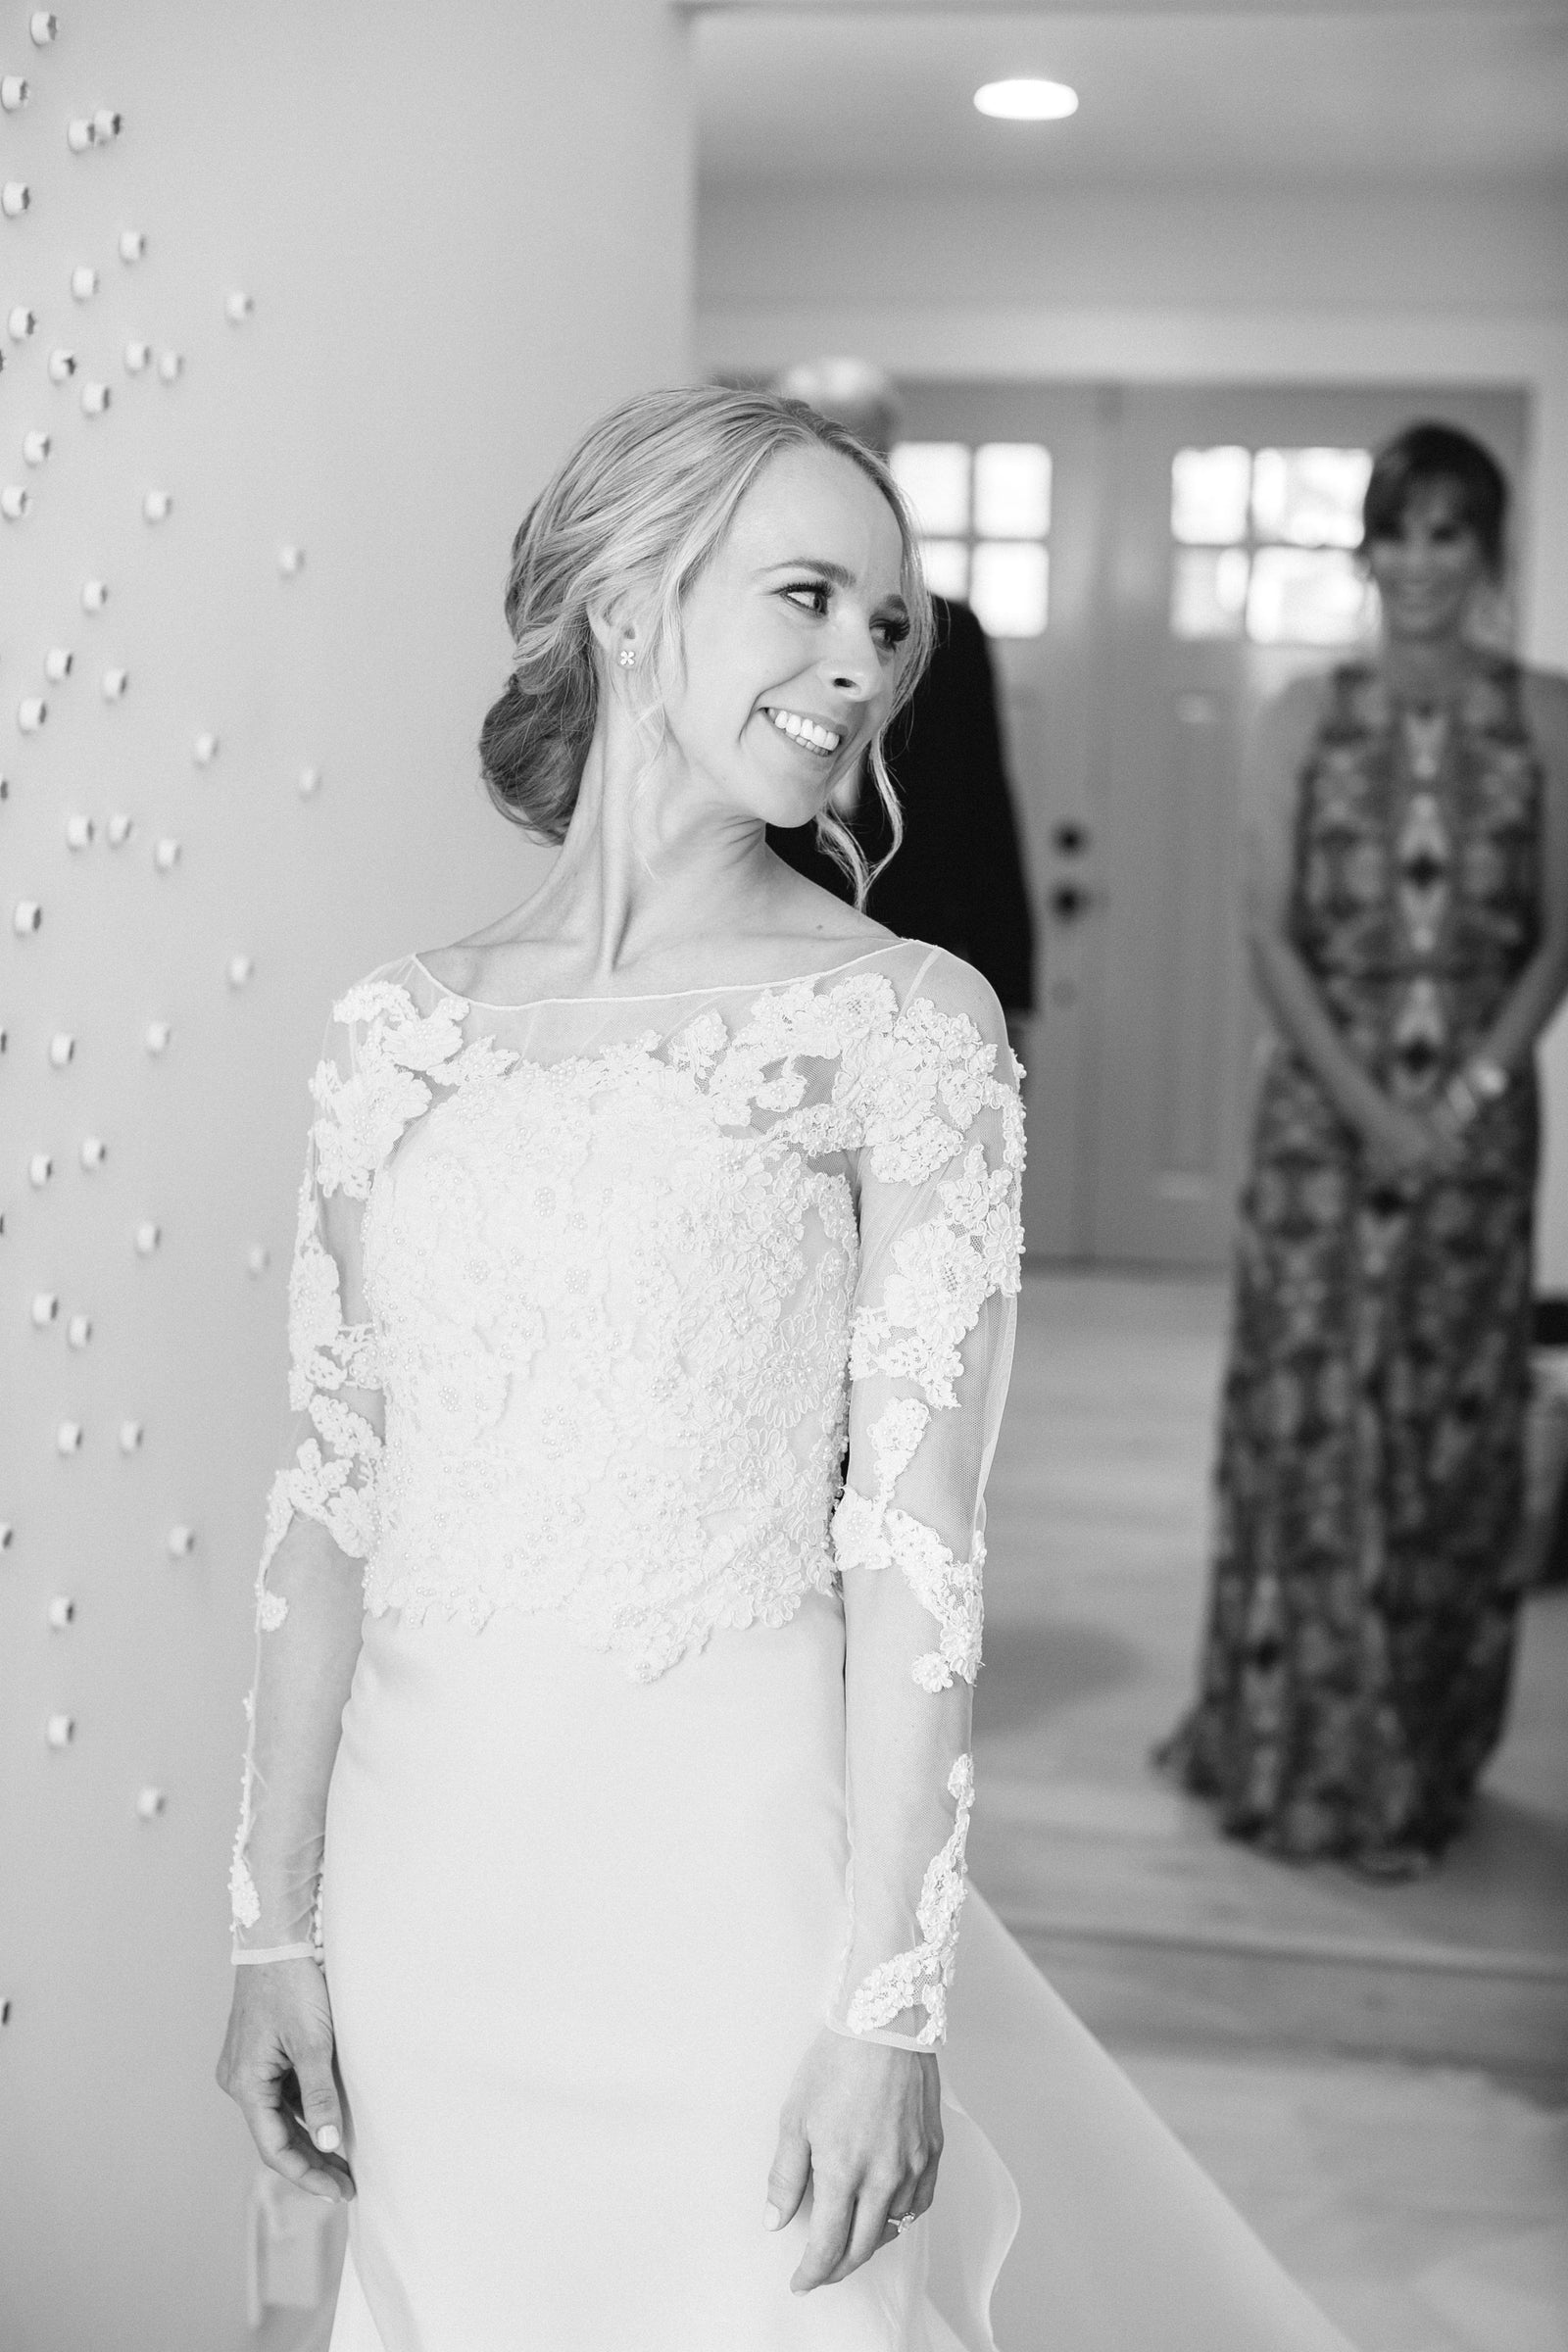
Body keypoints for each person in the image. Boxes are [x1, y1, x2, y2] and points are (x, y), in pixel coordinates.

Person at [217, 385, 1354, 2350]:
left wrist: (881, 2009)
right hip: (428, 1903)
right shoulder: (391, 1036)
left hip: (734, 1902)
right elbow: (326, 1503)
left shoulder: (897, 1023)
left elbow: (915, 1553)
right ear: (632, 605)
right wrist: (272, 1927)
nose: (861, 667)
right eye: (809, 597)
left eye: (887, 624)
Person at [1158, 422, 1568, 1876]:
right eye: (1394, 533)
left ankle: (1421, 1759)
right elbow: (1267, 933)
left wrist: (1455, 1105)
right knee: (1313, 1429)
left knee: (1444, 1445)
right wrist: (1376, 1110)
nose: (1418, 564)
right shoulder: (1300, 713)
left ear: (1488, 552)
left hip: (1479, 1129)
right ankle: (1297, 1759)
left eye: (1448, 534)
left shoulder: (1546, 714)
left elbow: (1556, 938)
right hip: (1319, 1130)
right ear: (1367, 553)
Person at [763, 360, 1036, 1058]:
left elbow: (986, 805)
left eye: (863, 452)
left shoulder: (951, 631)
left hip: (922, 966)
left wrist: (1012, 990)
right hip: (771, 971)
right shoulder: (751, 622)